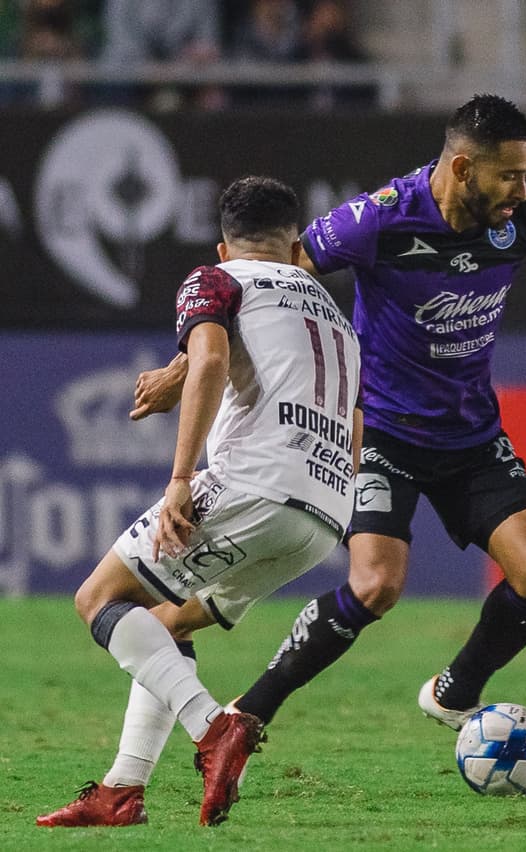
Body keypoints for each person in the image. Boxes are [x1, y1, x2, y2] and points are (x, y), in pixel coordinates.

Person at [131, 94, 526, 738]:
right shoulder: (380, 219)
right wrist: (182, 365)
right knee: (376, 586)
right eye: (509, 175)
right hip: (380, 432)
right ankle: (248, 713)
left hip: (472, 435)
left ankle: (454, 694)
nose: (522, 189)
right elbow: (269, 277)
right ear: (461, 169)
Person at [37, 176, 363, 827]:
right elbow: (355, 421)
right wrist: (178, 369)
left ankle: (215, 727)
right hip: (326, 511)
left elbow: (213, 360)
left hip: (254, 483)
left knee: (100, 599)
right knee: (167, 622)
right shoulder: (331, 311)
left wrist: (181, 477)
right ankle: (122, 792)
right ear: (295, 245)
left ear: (223, 245)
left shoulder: (214, 280)